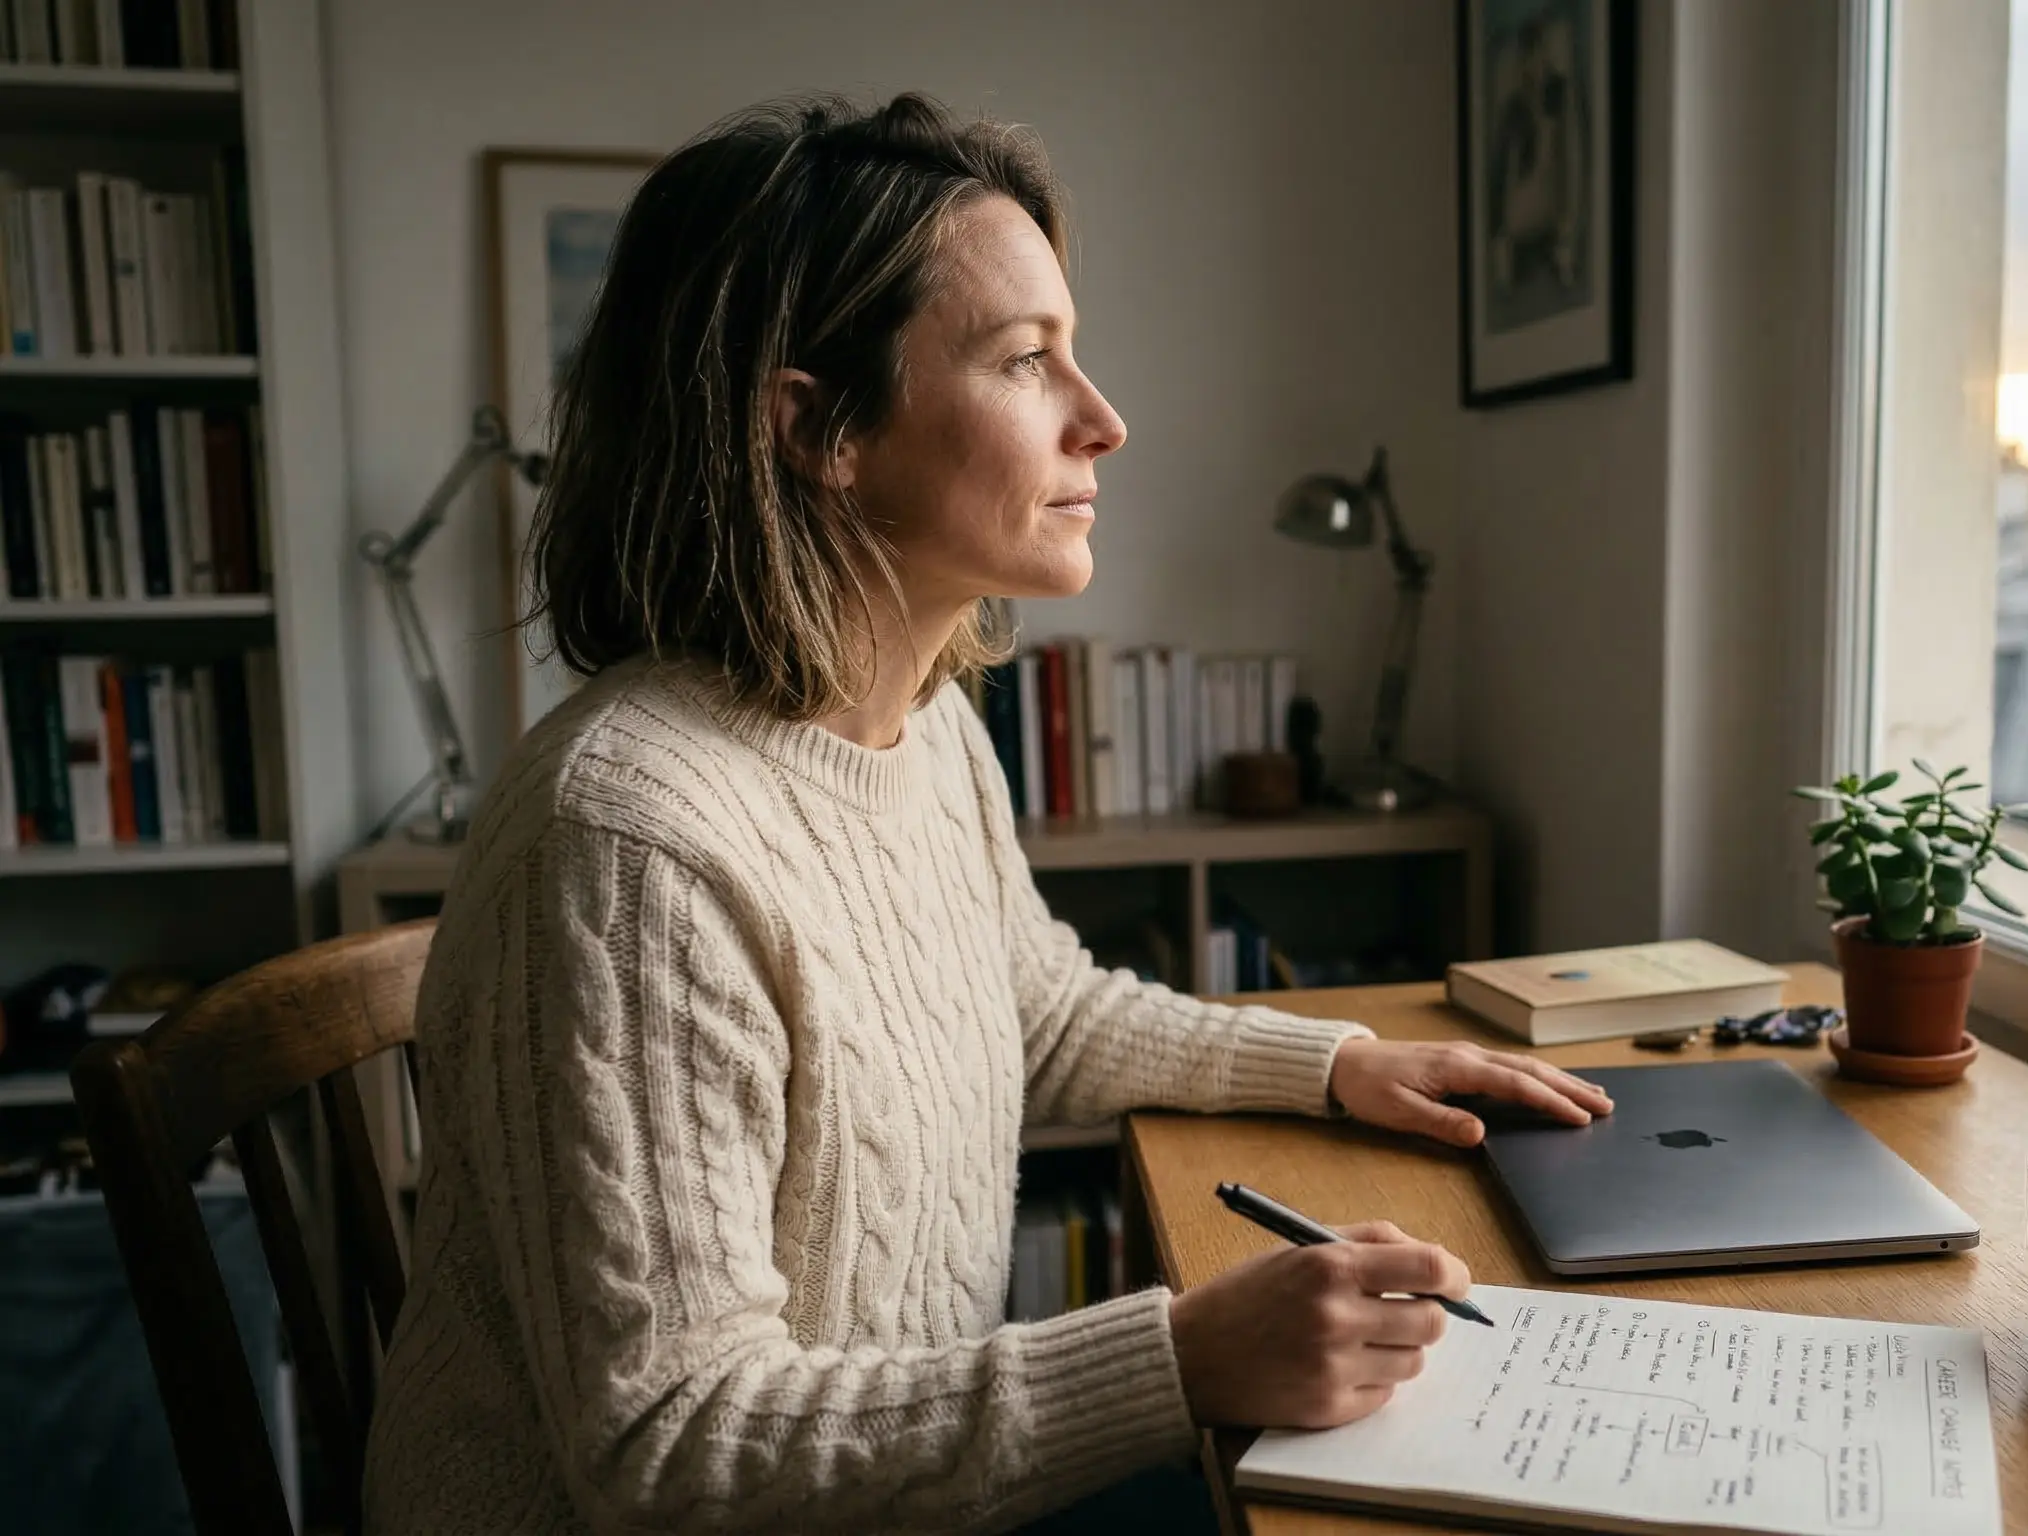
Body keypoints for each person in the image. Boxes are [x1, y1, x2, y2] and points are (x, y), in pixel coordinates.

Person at [362, 92, 1614, 1533]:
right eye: (1029, 362)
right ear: (819, 426)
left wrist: (1339, 1063)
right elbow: (668, 1445)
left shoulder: (930, 727)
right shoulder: (633, 844)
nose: (1106, 420)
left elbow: (1041, 1014)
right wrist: (1178, 1357)